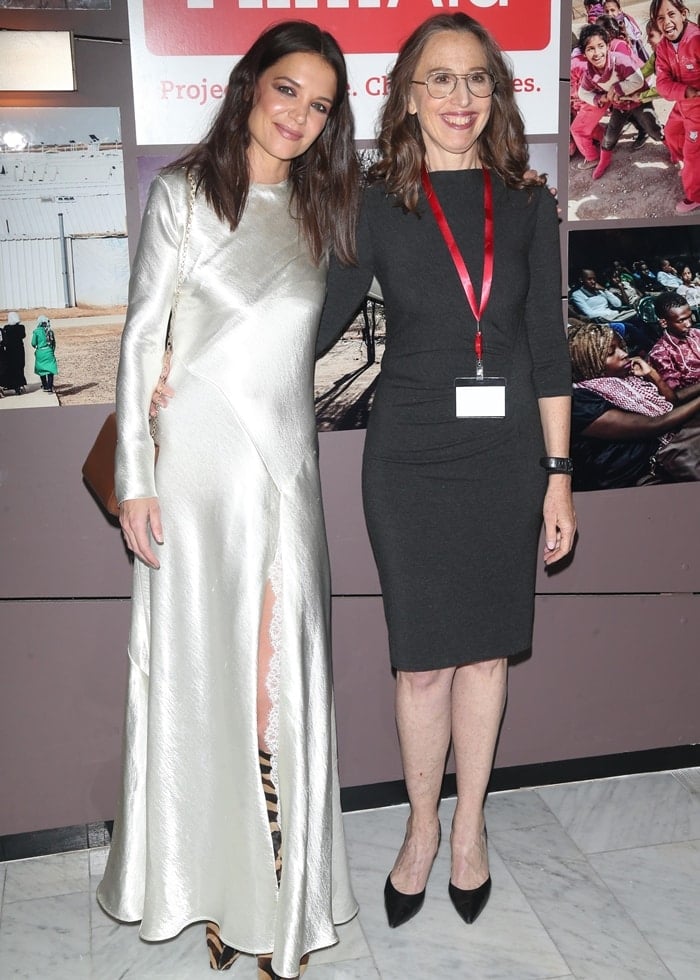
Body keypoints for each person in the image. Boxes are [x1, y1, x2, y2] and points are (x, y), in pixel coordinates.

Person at [96, 21, 360, 979]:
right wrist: (134, 475)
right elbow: (138, 340)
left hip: (286, 472)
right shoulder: (180, 195)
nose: (299, 115)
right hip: (198, 476)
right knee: (212, 685)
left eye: (322, 104)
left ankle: (276, 889)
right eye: (288, 90)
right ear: (252, 85)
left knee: (276, 685)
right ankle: (226, 885)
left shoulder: (325, 207)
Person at [317, 12, 576, 930]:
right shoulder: (375, 200)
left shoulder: (531, 204)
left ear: (496, 96)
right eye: (441, 79)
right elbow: (315, 324)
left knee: (487, 652)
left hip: (507, 458)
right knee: (424, 663)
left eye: (477, 80)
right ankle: (421, 829)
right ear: (409, 93)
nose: (461, 98)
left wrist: (558, 475)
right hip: (411, 458)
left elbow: (548, 347)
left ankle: (471, 829)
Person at [569, 320, 700, 488]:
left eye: (621, 347)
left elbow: (672, 404)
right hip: (640, 475)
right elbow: (656, 424)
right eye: (610, 353)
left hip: (666, 454)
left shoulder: (627, 380)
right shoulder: (580, 402)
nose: (623, 354)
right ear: (587, 362)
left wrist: (653, 375)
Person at [572, 24, 663, 179]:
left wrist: (617, 89)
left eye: (600, 46)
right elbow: (582, 92)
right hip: (619, 106)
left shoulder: (620, 60)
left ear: (608, 46)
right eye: (590, 49)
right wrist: (599, 98)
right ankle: (603, 162)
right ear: (584, 53)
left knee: (653, 129)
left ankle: (674, 151)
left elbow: (637, 80)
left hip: (638, 101)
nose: (596, 53)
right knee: (609, 136)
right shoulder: (589, 72)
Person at [651, 0, 700, 213]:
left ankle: (695, 196)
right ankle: (690, 168)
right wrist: (684, 91)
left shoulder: (697, 39)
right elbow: (662, 83)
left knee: (693, 153)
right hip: (683, 105)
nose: (667, 22)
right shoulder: (662, 47)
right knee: (671, 132)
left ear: (683, 13)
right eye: (660, 18)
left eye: (671, 14)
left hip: (698, 111)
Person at [648, 291, 700, 389]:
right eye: (681, 320)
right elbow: (676, 394)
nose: (689, 324)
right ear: (664, 322)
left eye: (689, 317)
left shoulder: (696, 333)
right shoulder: (660, 354)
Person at [1, 311, 27, 395]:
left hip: (9, 351)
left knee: (11, 368)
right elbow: (23, 335)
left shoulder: (6, 328)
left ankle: (11, 385)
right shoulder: (21, 327)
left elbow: (4, 340)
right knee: (19, 367)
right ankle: (19, 385)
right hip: (19, 350)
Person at [31, 315, 58, 393]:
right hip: (49, 352)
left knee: (41, 369)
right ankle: (50, 386)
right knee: (50, 370)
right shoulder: (50, 331)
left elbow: (33, 343)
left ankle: (45, 385)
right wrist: (51, 351)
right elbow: (54, 343)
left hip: (40, 352)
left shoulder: (36, 331)